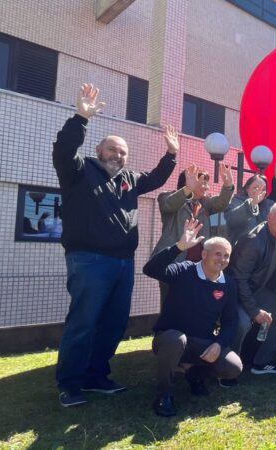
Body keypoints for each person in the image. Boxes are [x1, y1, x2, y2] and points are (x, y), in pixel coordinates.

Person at [53, 84, 176, 407]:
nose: (118, 155)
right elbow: (63, 151)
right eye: (112, 150)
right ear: (98, 151)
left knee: (114, 322)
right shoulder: (80, 172)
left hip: (123, 262)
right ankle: (70, 384)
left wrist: (172, 155)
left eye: (122, 152)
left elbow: (155, 179)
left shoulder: (129, 180)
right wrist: (81, 117)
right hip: (89, 260)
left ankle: (96, 375)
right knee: (84, 321)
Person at [142, 219, 242, 417]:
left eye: (226, 256)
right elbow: (150, 269)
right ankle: (165, 395)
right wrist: (178, 247)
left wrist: (219, 345)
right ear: (204, 254)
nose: (222, 259)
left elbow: (231, 321)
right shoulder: (184, 270)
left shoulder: (228, 284)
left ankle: (194, 375)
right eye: (217, 254)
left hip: (201, 343)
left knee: (234, 367)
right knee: (175, 340)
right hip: (169, 338)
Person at [226, 202, 276, 376]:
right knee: (243, 322)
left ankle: (261, 362)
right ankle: (228, 365)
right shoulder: (254, 241)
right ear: (269, 217)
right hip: (236, 293)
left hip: (259, 290)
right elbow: (239, 279)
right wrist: (254, 311)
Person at [152, 164, 234, 307]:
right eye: (201, 182)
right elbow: (168, 205)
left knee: (196, 307)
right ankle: (166, 330)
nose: (206, 186)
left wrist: (228, 185)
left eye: (206, 183)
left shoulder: (205, 203)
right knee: (171, 306)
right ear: (187, 183)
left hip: (199, 267)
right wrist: (188, 190)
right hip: (174, 263)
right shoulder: (166, 197)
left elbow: (221, 203)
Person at [224, 158, 276, 246]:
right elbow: (231, 220)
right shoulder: (236, 201)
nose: (259, 191)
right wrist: (252, 204)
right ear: (247, 188)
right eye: (256, 187)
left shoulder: (269, 205)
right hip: (240, 252)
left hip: (264, 253)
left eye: (263, 189)